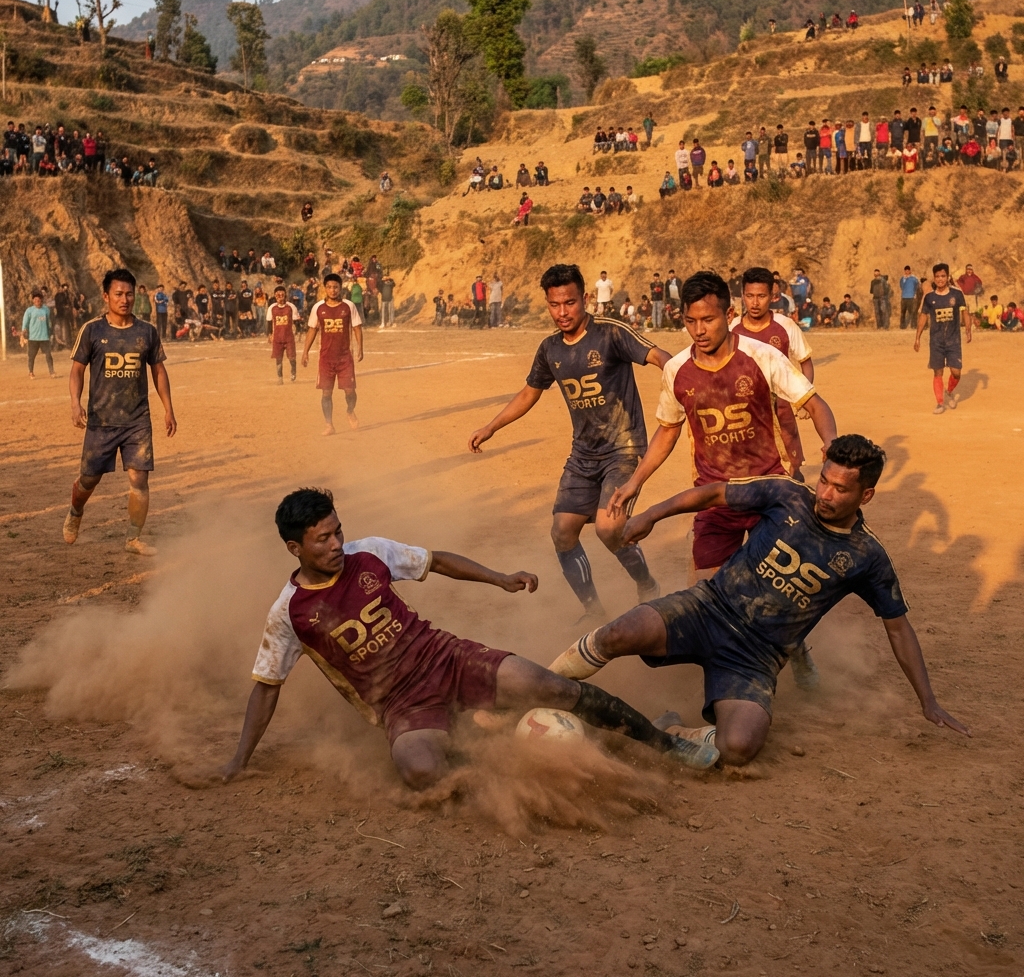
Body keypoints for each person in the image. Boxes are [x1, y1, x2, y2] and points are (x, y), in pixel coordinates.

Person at [219, 489, 718, 790]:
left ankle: (664, 741)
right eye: (322, 539)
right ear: (295, 547)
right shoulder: (290, 612)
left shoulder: (368, 553)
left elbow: (434, 560)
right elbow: (266, 686)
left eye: (337, 532)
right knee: (421, 774)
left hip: (449, 658)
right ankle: (495, 738)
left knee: (552, 686)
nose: (335, 545)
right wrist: (240, 759)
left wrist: (498, 578)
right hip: (401, 706)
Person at [549, 436, 969, 766]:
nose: (825, 493)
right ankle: (536, 685)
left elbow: (898, 627)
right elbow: (714, 493)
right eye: (824, 480)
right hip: (705, 609)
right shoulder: (788, 494)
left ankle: (668, 732)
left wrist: (927, 700)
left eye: (840, 489)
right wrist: (651, 515)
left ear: (867, 495)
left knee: (738, 748)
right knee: (618, 633)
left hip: (755, 658)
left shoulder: (867, 556)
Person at [604, 271, 836, 655]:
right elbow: (667, 430)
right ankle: (726, 671)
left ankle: (798, 653)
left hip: (770, 496)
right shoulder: (676, 370)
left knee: (777, 597)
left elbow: (814, 402)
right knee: (708, 598)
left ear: (728, 315)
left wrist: (830, 442)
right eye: (690, 321)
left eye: (708, 319)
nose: (699, 329)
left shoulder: (763, 357)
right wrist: (635, 482)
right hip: (713, 500)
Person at [469, 263, 672, 622]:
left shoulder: (610, 334)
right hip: (583, 454)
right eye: (554, 304)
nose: (562, 312)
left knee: (609, 528)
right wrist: (491, 427)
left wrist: (681, 383)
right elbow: (530, 392)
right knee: (562, 532)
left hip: (624, 449)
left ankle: (647, 584)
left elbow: (658, 357)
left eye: (570, 303)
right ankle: (594, 611)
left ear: (585, 299)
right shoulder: (550, 349)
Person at [64, 269, 176, 556]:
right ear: (106, 296)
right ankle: (76, 511)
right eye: (118, 294)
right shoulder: (92, 330)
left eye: (129, 293)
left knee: (140, 480)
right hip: (100, 421)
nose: (124, 299)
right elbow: (77, 369)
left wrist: (168, 409)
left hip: (137, 421)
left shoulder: (147, 331)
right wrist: (75, 403)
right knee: (89, 479)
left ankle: (133, 539)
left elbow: (159, 371)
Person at [730, 267, 817, 482]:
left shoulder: (785, 326)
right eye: (750, 296)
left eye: (761, 296)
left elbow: (805, 362)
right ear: (743, 296)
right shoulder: (732, 330)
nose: (755, 303)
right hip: (746, 413)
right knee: (749, 472)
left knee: (791, 471)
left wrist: (803, 401)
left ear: (772, 296)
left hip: (782, 409)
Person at [302, 273, 364, 433]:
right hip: (326, 358)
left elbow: (357, 327)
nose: (332, 290)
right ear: (325, 289)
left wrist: (360, 348)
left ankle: (350, 411)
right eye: (329, 287)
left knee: (350, 391)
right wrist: (305, 352)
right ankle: (329, 425)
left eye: (335, 287)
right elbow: (312, 330)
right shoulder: (318, 308)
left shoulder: (349, 306)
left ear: (340, 287)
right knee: (326, 393)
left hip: (345, 358)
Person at [915, 263, 971, 415]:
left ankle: (950, 391)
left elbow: (965, 312)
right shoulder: (929, 297)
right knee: (937, 372)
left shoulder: (957, 295)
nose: (940, 279)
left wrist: (968, 329)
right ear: (934, 278)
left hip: (953, 341)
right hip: (936, 342)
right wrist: (917, 337)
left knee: (956, 372)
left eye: (943, 276)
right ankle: (940, 403)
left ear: (948, 277)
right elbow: (923, 317)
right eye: (938, 276)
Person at [268, 285, 301, 383]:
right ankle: (280, 377)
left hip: (289, 337)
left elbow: (296, 321)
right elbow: (269, 322)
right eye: (278, 295)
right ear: (275, 296)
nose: (280, 296)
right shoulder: (272, 308)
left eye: (282, 294)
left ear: (285, 295)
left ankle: (293, 371)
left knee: (291, 357)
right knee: (278, 359)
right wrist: (270, 335)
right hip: (277, 338)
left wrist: (298, 332)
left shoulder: (291, 307)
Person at [21, 291, 56, 379]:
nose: (37, 301)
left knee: (48, 355)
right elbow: (25, 324)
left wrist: (50, 333)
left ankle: (52, 372)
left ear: (41, 300)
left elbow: (49, 322)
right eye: (35, 299)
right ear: (33, 300)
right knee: (31, 356)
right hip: (33, 338)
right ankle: (31, 372)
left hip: (44, 337)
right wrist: (23, 332)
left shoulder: (46, 310)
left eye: (39, 299)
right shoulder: (29, 310)